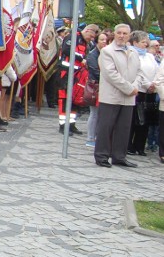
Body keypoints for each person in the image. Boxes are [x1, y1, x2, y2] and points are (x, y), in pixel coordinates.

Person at [94, 24, 139, 168]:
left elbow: (139, 71)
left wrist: (135, 86)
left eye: (125, 33)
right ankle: (101, 155)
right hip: (111, 96)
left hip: (129, 97)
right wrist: (129, 88)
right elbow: (110, 74)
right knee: (106, 127)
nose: (122, 36)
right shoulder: (107, 51)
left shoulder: (133, 52)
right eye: (119, 33)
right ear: (114, 34)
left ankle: (119, 156)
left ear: (129, 35)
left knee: (124, 128)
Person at [58, 23, 99, 135]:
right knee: (65, 99)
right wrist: (81, 59)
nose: (91, 39)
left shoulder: (86, 43)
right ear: (88, 30)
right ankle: (63, 125)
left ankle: (71, 124)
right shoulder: (73, 37)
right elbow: (67, 50)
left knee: (75, 99)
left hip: (78, 75)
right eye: (91, 36)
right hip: (65, 73)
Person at [127, 30, 158, 156]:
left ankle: (140, 146)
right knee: (135, 119)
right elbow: (137, 72)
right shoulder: (131, 54)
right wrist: (146, 84)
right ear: (135, 42)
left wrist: (154, 84)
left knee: (146, 120)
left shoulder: (150, 56)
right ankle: (129, 145)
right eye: (143, 42)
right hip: (138, 90)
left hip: (150, 92)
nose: (146, 44)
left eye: (147, 42)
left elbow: (157, 70)